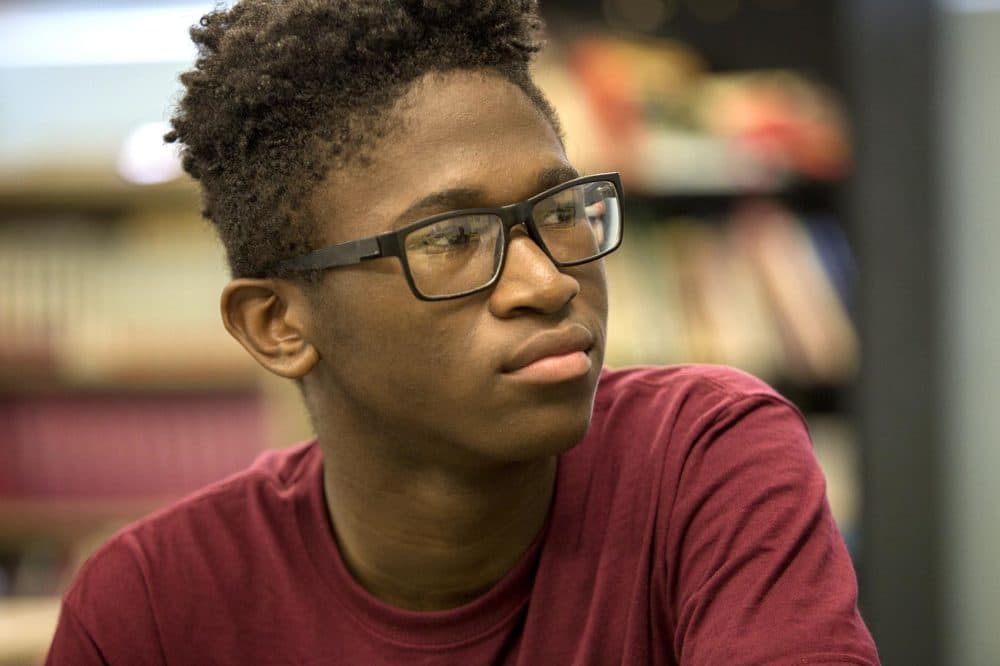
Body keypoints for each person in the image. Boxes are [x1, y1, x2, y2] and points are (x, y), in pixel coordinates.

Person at [46, 1, 879, 664]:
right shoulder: (152, 608)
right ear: (278, 325)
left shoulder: (703, 461)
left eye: (560, 212)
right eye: (448, 239)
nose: (548, 282)